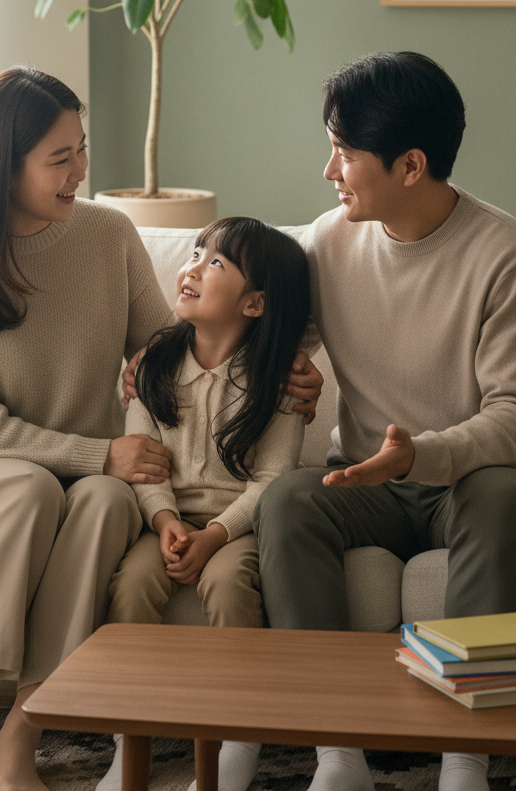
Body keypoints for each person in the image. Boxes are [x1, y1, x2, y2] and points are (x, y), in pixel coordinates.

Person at [0, 67, 324, 791]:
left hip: (89, 467)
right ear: (3, 166)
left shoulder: (107, 233)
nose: (81, 171)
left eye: (82, 149)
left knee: (100, 499)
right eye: (58, 158)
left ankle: (21, 735)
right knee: (31, 492)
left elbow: (176, 342)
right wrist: (100, 451)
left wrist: (292, 364)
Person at [254, 52, 516, 791]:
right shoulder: (324, 244)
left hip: (484, 481)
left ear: (411, 165)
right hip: (372, 481)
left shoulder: (505, 255)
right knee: (290, 501)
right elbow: (265, 356)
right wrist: (183, 364)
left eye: (345, 151)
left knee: (495, 496)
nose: (330, 171)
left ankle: (464, 758)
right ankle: (338, 755)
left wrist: (417, 455)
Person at [100, 218, 311, 791]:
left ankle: (236, 737)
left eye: (215, 263)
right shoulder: (152, 366)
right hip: (162, 516)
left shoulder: (280, 381)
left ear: (256, 303)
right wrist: (165, 521)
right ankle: (130, 738)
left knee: (229, 584)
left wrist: (215, 535)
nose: (192, 266)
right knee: (133, 582)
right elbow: (142, 462)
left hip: (237, 526)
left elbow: (272, 480)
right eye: (196, 252)